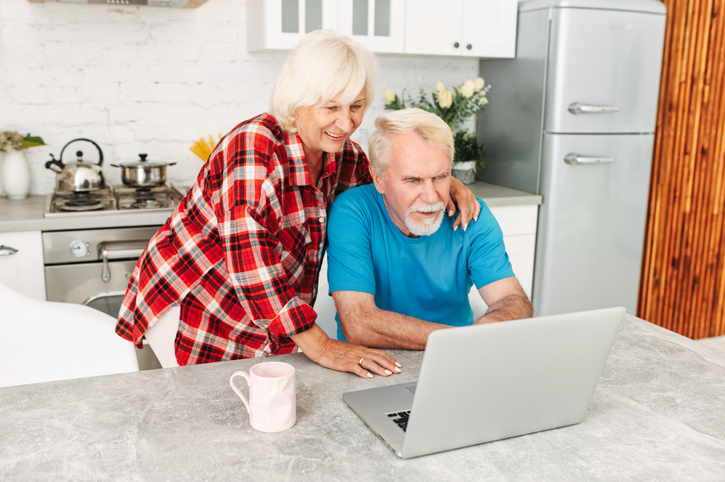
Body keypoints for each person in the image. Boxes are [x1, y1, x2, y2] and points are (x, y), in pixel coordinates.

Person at [115, 31, 479, 379]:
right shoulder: (253, 147)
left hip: (268, 313)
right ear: (297, 100)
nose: (345, 122)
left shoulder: (344, 157)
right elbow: (249, 260)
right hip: (198, 300)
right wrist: (322, 346)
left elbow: (394, 183)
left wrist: (444, 183)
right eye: (331, 107)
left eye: (355, 106)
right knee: (209, 411)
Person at [327, 108, 533, 349]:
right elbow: (359, 324)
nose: (430, 196)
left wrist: (469, 341)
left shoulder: (471, 214)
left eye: (440, 177)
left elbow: (513, 301)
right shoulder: (353, 212)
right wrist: (463, 340)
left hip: (457, 358)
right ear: (379, 179)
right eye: (413, 180)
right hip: (374, 365)